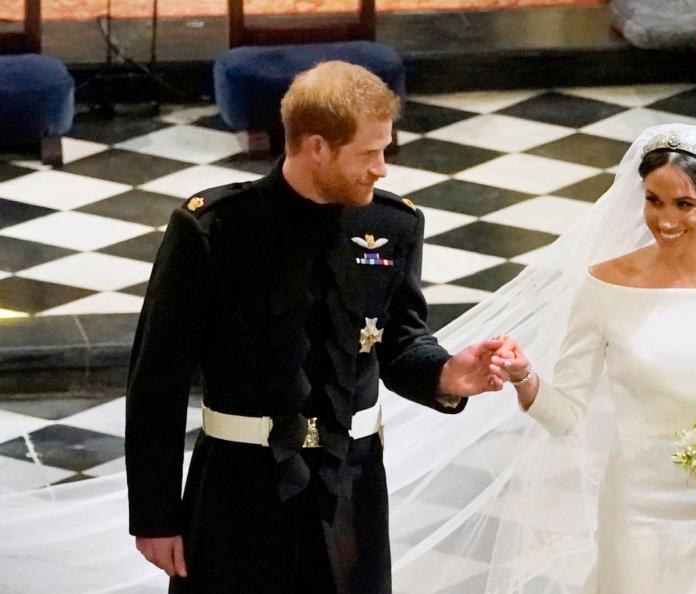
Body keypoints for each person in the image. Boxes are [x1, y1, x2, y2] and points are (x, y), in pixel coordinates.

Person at [386, 124, 696, 594]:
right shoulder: (604, 284)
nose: (665, 220)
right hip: (637, 509)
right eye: (653, 200)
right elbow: (566, 415)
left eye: (684, 204)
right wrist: (525, 377)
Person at [125, 60, 509, 594]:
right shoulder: (214, 229)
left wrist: (446, 374)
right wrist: (155, 515)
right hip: (239, 490)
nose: (382, 170)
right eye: (369, 153)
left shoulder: (392, 225)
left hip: (351, 490)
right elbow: (156, 380)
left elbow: (398, 342)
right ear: (316, 147)